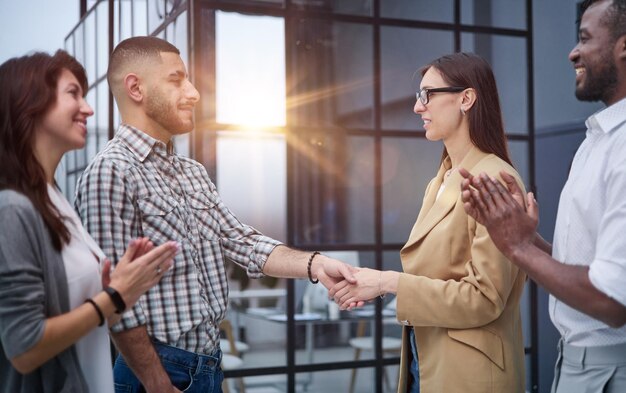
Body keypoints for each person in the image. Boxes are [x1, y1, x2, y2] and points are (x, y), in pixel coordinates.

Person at [74, 36, 359, 393]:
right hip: (158, 373)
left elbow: (243, 241)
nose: (193, 93)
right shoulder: (111, 172)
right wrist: (157, 382)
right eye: (177, 79)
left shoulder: (191, 172)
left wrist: (316, 265)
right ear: (135, 88)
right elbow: (117, 301)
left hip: (207, 365)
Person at [330, 52, 527, 392]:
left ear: (466, 98)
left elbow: (482, 299)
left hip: (471, 375)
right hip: (428, 361)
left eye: (427, 95)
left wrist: (388, 282)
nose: (418, 107)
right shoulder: (440, 181)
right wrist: (374, 284)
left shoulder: (496, 180)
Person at [459, 1, 626, 392]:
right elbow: (589, 268)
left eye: (584, 38)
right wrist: (524, 238)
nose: (572, 52)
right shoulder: (598, 140)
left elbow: (612, 299)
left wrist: (518, 246)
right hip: (575, 364)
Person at [0, 50, 179, 393]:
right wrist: (114, 296)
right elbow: (23, 348)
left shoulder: (55, 200)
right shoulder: (12, 209)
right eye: (73, 94)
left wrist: (125, 290)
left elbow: (85, 316)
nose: (88, 108)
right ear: (29, 102)